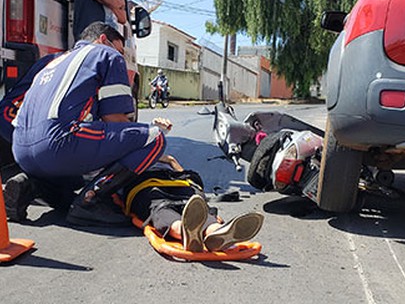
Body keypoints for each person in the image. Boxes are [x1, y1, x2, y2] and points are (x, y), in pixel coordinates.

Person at [7, 22, 169, 225]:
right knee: (154, 138)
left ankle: (32, 185)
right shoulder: (106, 54)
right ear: (103, 39)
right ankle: (90, 202)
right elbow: (115, 119)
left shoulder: (54, 61)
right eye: (119, 49)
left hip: (21, 151)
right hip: (56, 144)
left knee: (75, 179)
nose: (121, 57)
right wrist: (144, 148)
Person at [122, 155, 264, 252]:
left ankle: (213, 233)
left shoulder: (164, 157)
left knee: (192, 207)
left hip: (178, 182)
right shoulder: (127, 160)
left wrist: (169, 160)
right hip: (146, 185)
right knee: (161, 207)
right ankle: (198, 232)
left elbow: (184, 172)